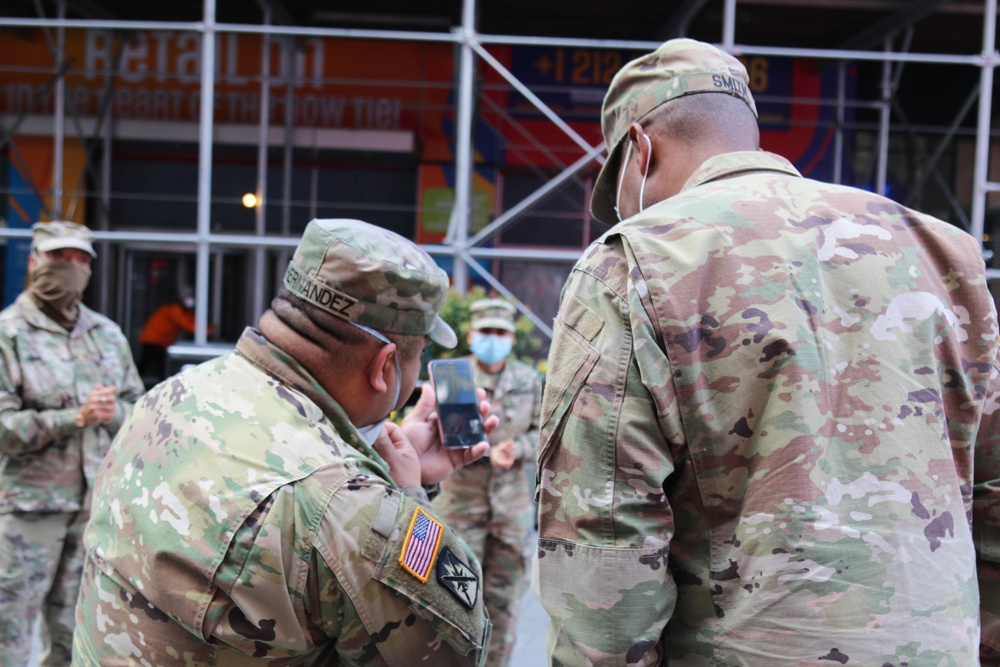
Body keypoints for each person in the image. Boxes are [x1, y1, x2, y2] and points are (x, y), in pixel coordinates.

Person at [535, 38, 1000, 666]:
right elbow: (992, 497)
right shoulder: (945, 255)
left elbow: (604, 546)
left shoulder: (636, 262)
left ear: (640, 151)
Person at [72, 218, 499, 666]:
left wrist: (381, 474)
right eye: (421, 355)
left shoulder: (169, 397)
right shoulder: (343, 508)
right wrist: (407, 502)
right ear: (384, 365)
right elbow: (449, 654)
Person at [0, 221, 144, 667]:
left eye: (81, 261)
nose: (71, 268)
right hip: (29, 509)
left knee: (75, 627)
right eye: (60, 258)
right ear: (33, 262)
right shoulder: (9, 334)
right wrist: (73, 419)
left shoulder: (106, 334)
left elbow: (139, 410)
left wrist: (110, 413)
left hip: (93, 510)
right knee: (10, 626)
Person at [433, 298, 542, 667]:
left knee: (505, 605)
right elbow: (448, 438)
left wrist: (519, 449)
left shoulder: (527, 379)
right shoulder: (455, 378)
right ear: (471, 334)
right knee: (453, 602)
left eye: (500, 332)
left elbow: (541, 433)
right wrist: (487, 453)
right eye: (486, 332)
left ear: (510, 337)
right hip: (461, 511)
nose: (493, 339)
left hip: (511, 513)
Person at [136, 286, 208, 386]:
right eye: (189, 296)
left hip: (156, 340)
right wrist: (207, 330)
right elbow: (189, 326)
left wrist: (207, 328)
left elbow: (193, 322)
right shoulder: (174, 309)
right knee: (159, 365)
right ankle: (162, 387)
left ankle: (138, 382)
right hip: (154, 340)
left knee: (148, 364)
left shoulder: (183, 311)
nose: (191, 299)